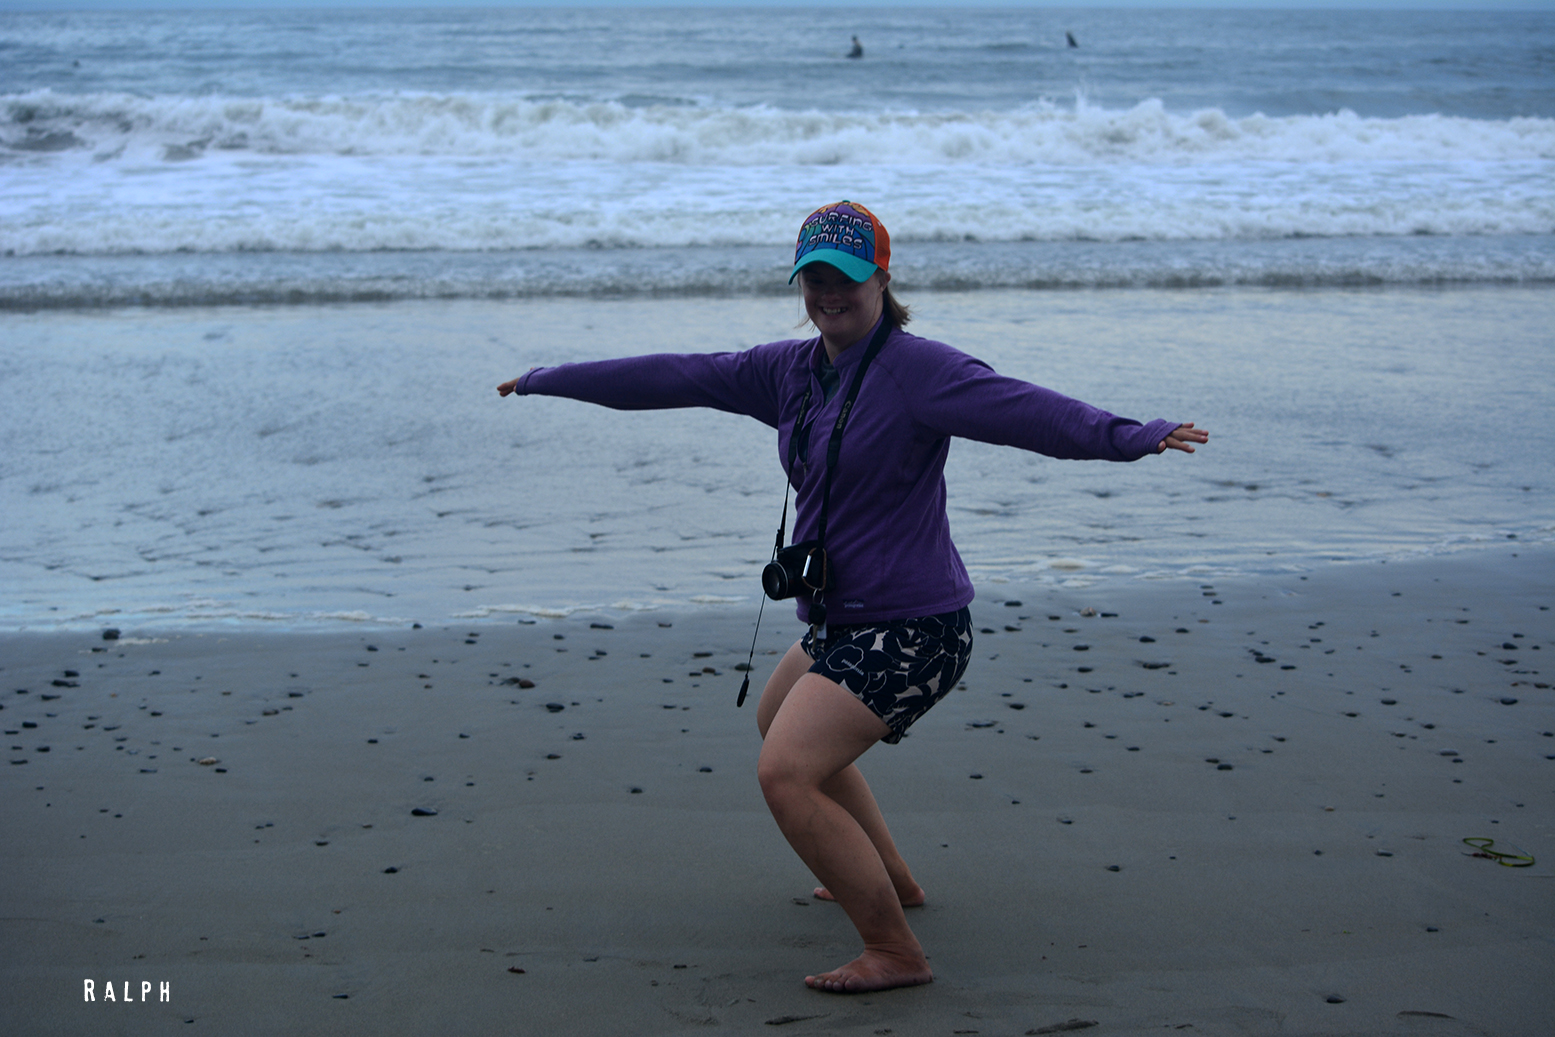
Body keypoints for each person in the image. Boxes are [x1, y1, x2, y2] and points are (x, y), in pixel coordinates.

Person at [497, 200, 1208, 994]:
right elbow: (678, 374)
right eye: (814, 279)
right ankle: (891, 878)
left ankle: (894, 950)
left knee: (785, 771)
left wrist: (1130, 434)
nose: (829, 294)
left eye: (845, 278)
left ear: (881, 278)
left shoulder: (920, 372)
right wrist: (548, 379)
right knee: (777, 720)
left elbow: (1026, 411)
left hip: (915, 628)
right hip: (840, 620)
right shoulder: (788, 371)